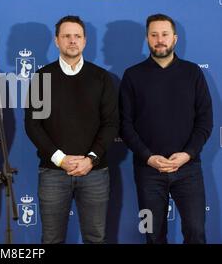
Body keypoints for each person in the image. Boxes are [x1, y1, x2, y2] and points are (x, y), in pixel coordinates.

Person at [119, 13, 213, 244]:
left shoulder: (193, 73)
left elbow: (205, 121)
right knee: (152, 235)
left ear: (175, 38)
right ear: (147, 38)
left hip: (188, 170)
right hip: (148, 171)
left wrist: (187, 154)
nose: (159, 40)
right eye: (154, 35)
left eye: (164, 34)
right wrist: (148, 157)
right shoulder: (132, 75)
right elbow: (125, 124)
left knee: (196, 232)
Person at [25, 15, 118, 244]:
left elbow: (111, 124)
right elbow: (33, 125)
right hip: (53, 172)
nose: (72, 41)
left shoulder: (101, 78)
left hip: (94, 172)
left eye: (77, 36)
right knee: (51, 239)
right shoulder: (43, 77)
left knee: (95, 238)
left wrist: (91, 159)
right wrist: (60, 159)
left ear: (85, 41)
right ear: (56, 41)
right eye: (66, 36)